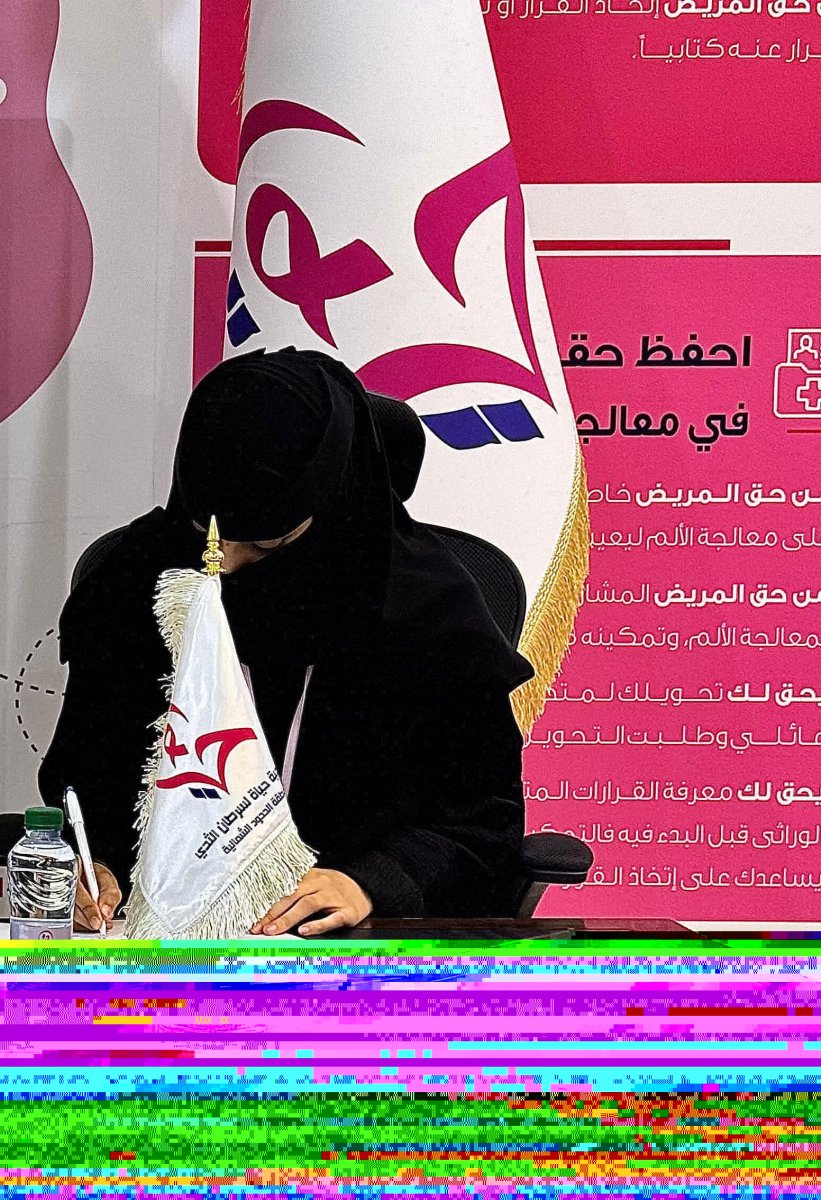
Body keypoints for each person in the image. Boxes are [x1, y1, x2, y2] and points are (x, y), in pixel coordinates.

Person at [40, 347, 529, 936]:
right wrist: (90, 863)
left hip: (346, 945)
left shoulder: (428, 615)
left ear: (334, 501)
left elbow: (481, 825)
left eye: (266, 543)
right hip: (155, 939)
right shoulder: (133, 587)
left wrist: (371, 882)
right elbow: (84, 781)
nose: (224, 564)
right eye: (206, 532)